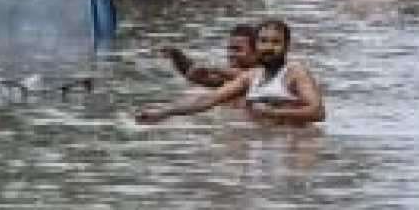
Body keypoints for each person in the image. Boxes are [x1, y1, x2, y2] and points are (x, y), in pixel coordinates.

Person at [137, 19, 325, 125]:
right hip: (266, 147)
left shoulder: (296, 72)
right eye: (263, 41)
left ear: (286, 46)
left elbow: (318, 112)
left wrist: (272, 112)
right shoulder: (251, 77)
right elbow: (208, 100)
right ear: (256, 45)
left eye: (275, 42)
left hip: (296, 147)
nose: (268, 47)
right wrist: (163, 112)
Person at [158, 24, 257, 88]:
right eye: (229, 49)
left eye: (237, 50)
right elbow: (196, 76)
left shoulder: (265, 72)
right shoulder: (227, 78)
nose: (231, 54)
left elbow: (248, 76)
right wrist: (177, 55)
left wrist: (212, 68)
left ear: (255, 52)